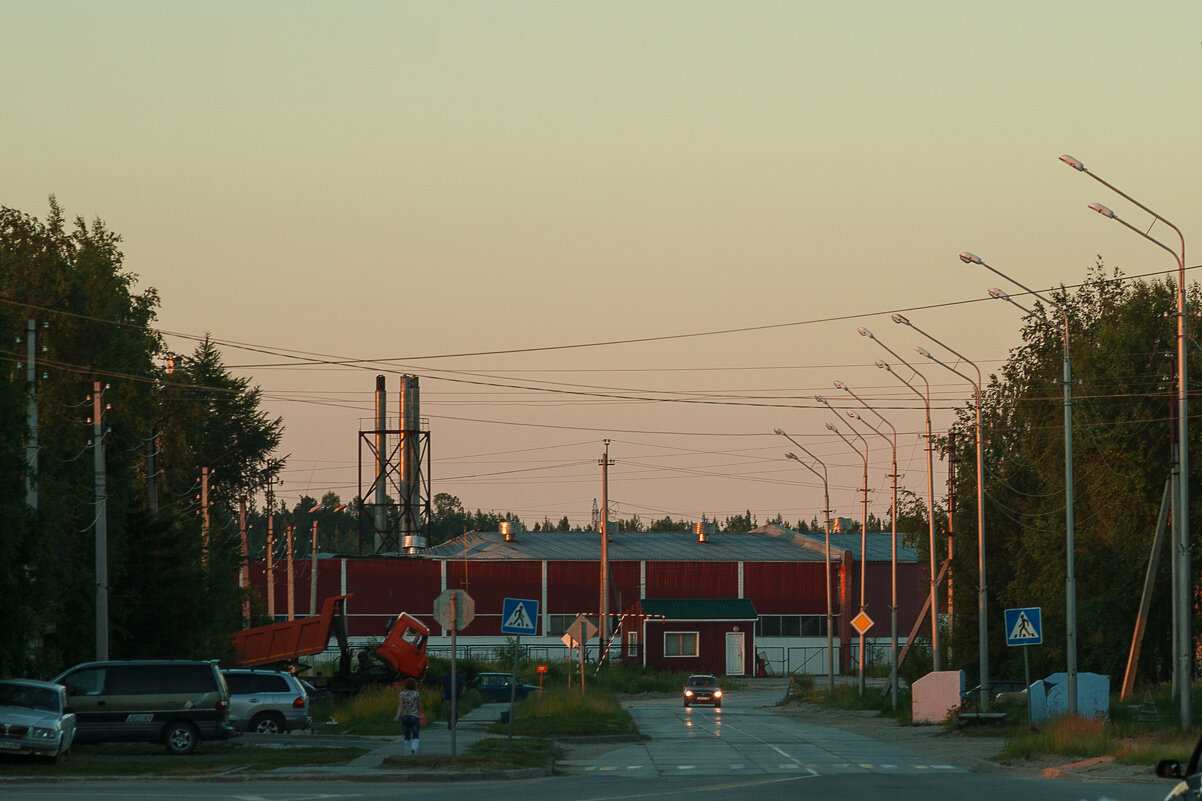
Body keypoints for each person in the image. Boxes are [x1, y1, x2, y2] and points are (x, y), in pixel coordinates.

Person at [392, 677, 423, 755]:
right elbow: (419, 705)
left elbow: (400, 706)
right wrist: (421, 712)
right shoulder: (416, 694)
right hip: (414, 716)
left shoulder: (402, 694)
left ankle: (407, 752)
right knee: (415, 735)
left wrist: (397, 716)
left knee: (406, 736)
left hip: (405, 717)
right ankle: (414, 749)